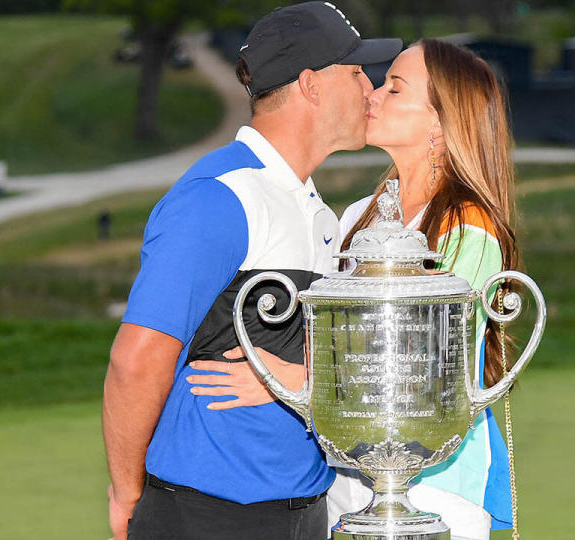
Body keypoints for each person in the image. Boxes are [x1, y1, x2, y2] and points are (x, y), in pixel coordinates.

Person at [103, 3, 401, 539]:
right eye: (356, 73)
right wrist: (127, 492)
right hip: (206, 514)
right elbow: (137, 358)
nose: (370, 89)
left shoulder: (315, 211)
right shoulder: (221, 197)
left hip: (304, 511)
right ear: (311, 84)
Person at [330, 38, 521, 540]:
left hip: (437, 485)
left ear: (440, 121)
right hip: (347, 484)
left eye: (395, 88)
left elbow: (422, 366)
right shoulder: (357, 218)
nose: (373, 94)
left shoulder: (468, 230)